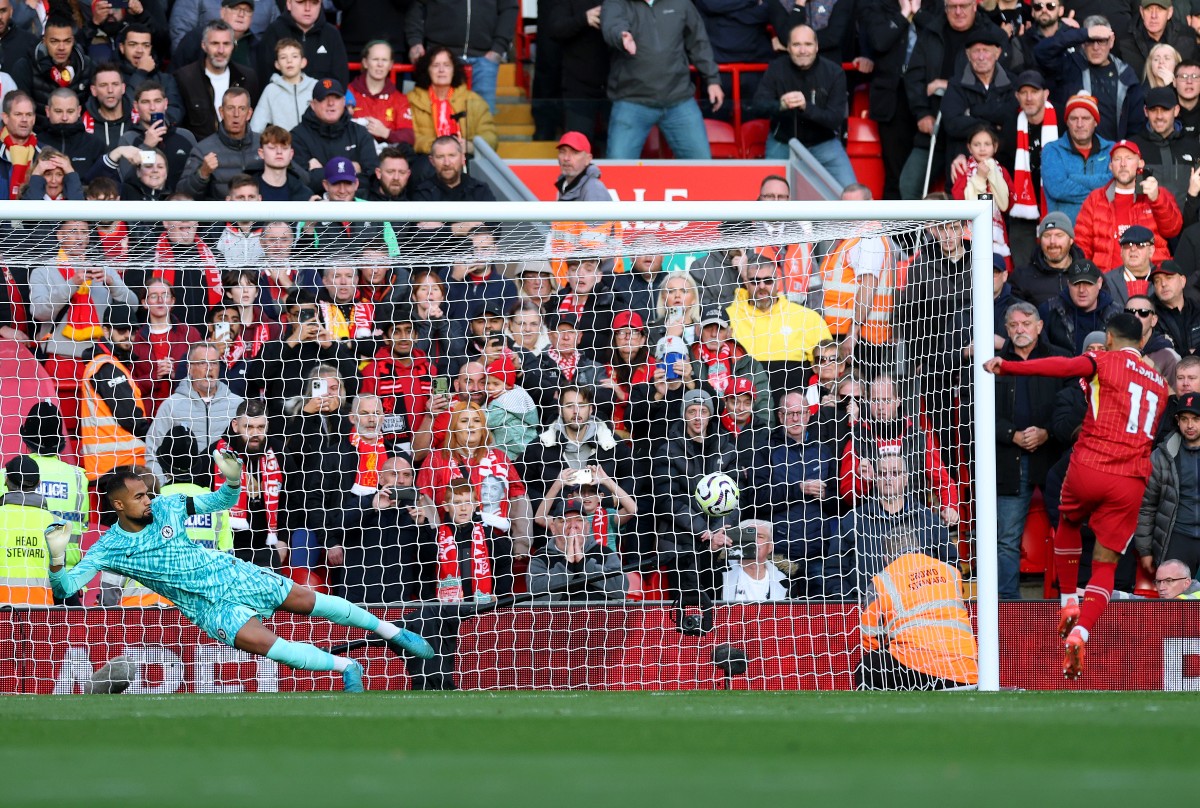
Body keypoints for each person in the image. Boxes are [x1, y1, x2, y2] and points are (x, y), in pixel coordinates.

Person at [47, 451, 433, 691]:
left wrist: (233, 480)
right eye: (139, 497)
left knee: (307, 600)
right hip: (208, 608)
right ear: (117, 505)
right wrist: (56, 560)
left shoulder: (168, 506)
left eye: (148, 493)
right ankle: (348, 666)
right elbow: (66, 591)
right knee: (272, 648)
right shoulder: (107, 548)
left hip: (230, 573)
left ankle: (395, 632)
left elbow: (221, 500)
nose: (149, 500)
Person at [984, 313, 1168, 679]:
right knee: (1106, 563)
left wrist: (1008, 367)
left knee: (1068, 520)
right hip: (1131, 478)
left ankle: (1068, 601)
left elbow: (1063, 365)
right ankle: (1082, 631)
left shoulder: (1105, 360)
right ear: (1142, 343)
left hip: (1090, 465)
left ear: (1111, 340)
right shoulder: (1160, 384)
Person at [994, 302, 1070, 600]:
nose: (1020, 329)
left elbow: (1073, 409)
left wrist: (1047, 432)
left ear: (1039, 326)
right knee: (1007, 539)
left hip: (1054, 459)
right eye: (1013, 325)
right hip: (1010, 460)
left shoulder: (1061, 360)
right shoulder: (994, 363)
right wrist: (1011, 435)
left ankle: (1068, 596)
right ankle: (1007, 604)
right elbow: (975, 413)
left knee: (1067, 531)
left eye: (1026, 323)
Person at [856, 529, 978, 690]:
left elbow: (869, 637)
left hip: (915, 667)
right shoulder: (951, 571)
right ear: (919, 549)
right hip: (965, 668)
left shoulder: (881, 581)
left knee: (867, 668)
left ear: (886, 558)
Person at [600, 0, 724, 160]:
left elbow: (698, 41)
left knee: (701, 167)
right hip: (631, 101)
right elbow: (612, 25)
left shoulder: (681, 3)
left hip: (679, 100)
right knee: (619, 168)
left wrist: (713, 79)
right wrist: (621, 36)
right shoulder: (616, 3)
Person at [651, 388, 739, 603]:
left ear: (710, 414)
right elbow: (666, 500)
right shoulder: (668, 450)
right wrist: (704, 530)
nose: (698, 417)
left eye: (703, 411)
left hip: (718, 545)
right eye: (692, 411)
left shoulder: (727, 449)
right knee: (685, 613)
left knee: (716, 610)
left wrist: (718, 531)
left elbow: (737, 496)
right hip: (680, 547)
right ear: (684, 414)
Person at [750, 391, 834, 598]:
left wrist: (826, 496)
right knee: (777, 617)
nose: (795, 419)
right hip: (778, 554)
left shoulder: (824, 451)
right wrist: (799, 489)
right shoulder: (765, 450)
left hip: (817, 553)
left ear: (808, 415)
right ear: (780, 417)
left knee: (818, 615)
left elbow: (839, 501)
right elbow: (758, 499)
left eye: (800, 413)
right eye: (789, 414)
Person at [751, 23, 854, 186]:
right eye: (796, 45)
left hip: (823, 143)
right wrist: (780, 105)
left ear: (817, 47)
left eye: (808, 44)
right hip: (782, 142)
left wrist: (806, 107)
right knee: (767, 197)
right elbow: (757, 107)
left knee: (852, 194)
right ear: (788, 48)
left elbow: (834, 119)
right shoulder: (776, 68)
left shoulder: (834, 72)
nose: (803, 50)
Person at [29, 219, 137, 360]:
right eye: (73, 231)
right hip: (59, 357)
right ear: (60, 236)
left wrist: (112, 284)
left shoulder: (104, 270)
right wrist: (73, 283)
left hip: (102, 357)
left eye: (84, 232)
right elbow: (39, 312)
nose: (80, 237)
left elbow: (133, 307)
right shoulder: (42, 271)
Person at [144, 342, 244, 482]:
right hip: (184, 495)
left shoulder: (237, 404)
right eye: (202, 363)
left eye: (214, 363)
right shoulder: (171, 405)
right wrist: (164, 488)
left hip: (227, 491)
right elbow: (153, 452)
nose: (209, 368)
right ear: (189, 368)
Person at [1035, 16, 1146, 141]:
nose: (1096, 47)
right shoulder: (1070, 65)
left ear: (1111, 41)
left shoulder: (1126, 76)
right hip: (1072, 152)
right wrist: (1083, 34)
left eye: (1101, 41)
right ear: (1082, 43)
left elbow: (1136, 126)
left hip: (1112, 155)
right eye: (1090, 40)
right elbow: (1042, 52)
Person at [1075, 139, 1183, 268]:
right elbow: (1082, 245)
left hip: (1150, 281)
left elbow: (1173, 230)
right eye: (1117, 159)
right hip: (1107, 282)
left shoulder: (1158, 194)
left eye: (1129, 158)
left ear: (1140, 163)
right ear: (1110, 166)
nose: (1123, 164)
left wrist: (1157, 199)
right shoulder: (1095, 199)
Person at [1139, 390, 1200, 579]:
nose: (1190, 425)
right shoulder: (1162, 456)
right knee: (1175, 603)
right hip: (1177, 536)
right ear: (1177, 420)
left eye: (1196, 419)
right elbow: (1147, 506)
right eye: (1184, 419)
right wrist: (1145, 550)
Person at [288, 77, 378, 194]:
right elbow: (301, 182)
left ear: (344, 101)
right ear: (313, 104)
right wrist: (350, 170)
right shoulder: (297, 137)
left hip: (355, 207)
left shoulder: (360, 133)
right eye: (324, 99)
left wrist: (321, 172)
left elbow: (372, 180)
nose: (331, 103)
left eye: (336, 98)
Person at [176, 20, 262, 141]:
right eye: (215, 43)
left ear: (233, 46)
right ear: (204, 45)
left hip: (239, 151)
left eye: (226, 44)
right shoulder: (185, 78)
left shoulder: (248, 77)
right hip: (200, 153)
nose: (221, 50)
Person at [528, 495, 627, 600]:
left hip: (598, 615)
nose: (573, 525)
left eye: (579, 520)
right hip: (557, 616)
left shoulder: (604, 553)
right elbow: (538, 598)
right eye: (564, 521)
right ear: (553, 528)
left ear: (587, 527)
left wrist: (583, 563)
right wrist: (567, 564)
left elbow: (620, 590)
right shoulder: (541, 557)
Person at [406, 46, 498, 157]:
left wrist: (469, 146)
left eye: (446, 65)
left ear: (454, 70)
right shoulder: (411, 100)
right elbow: (410, 137)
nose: (441, 70)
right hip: (428, 156)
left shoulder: (473, 100)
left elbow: (490, 136)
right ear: (427, 70)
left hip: (465, 155)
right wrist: (439, 147)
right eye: (435, 65)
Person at [179, 87, 262, 201]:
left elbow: (293, 180)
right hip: (220, 217)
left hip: (261, 217)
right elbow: (182, 196)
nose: (236, 114)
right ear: (221, 112)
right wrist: (202, 174)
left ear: (249, 113)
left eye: (242, 109)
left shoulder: (265, 145)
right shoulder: (203, 150)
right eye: (230, 108)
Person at [1039, 94, 1114, 220]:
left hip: (1103, 230)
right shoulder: (1052, 150)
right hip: (1064, 234)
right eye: (1074, 118)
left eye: (1085, 118)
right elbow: (1057, 189)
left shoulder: (1112, 150)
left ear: (1095, 122)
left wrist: (1073, 178)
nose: (1079, 124)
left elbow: (1116, 185)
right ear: (1067, 122)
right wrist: (1102, 191)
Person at [116, 81, 199, 191]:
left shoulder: (185, 136)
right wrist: (146, 147)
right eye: (146, 102)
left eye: (157, 101)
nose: (152, 107)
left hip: (180, 203)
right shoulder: (129, 139)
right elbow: (127, 181)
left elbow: (196, 178)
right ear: (136, 106)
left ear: (165, 104)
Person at [0, 455, 57, 606]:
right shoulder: (55, 523)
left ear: (6, 480)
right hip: (41, 613)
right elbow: (59, 575)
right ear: (39, 483)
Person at [1038, 259, 1123, 355]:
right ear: (1068, 284)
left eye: (1088, 283)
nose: (1082, 290)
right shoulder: (1049, 311)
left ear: (1099, 283)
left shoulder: (1117, 314)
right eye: (1076, 284)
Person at [257, 0, 349, 87]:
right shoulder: (274, 32)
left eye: (314, 2)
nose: (307, 8)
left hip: (322, 101)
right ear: (289, 3)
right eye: (301, 2)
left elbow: (340, 80)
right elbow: (264, 78)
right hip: (281, 101)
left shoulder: (331, 34)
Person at [348, 40, 414, 148]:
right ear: (365, 62)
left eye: (384, 60)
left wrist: (386, 133)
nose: (380, 64)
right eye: (375, 59)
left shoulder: (400, 99)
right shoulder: (347, 93)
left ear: (391, 65)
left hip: (387, 155)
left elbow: (410, 136)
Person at [30, 16, 93, 119]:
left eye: (67, 41)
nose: (61, 48)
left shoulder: (86, 65)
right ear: (44, 41)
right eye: (54, 41)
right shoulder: (27, 66)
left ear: (73, 41)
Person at [249, 38, 316, 135]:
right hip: (282, 147)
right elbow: (256, 127)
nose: (289, 61)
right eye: (283, 57)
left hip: (312, 147)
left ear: (303, 62)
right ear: (277, 64)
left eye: (294, 56)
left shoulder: (315, 87)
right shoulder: (271, 90)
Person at [721, 519, 788, 602]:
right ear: (738, 542)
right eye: (748, 535)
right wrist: (712, 548)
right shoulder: (718, 574)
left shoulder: (787, 581)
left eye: (760, 536)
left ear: (770, 546)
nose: (754, 541)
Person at [1151, 260, 1200, 357]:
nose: (1163, 284)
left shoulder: (1197, 310)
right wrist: (1189, 354)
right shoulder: (1149, 316)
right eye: (1157, 281)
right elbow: (1158, 353)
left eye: (1169, 278)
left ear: (1183, 281)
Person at [1103, 225, 1158, 307]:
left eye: (1140, 245)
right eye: (1127, 245)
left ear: (1151, 250)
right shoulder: (1107, 282)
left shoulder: (1162, 279)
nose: (1133, 249)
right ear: (1121, 251)